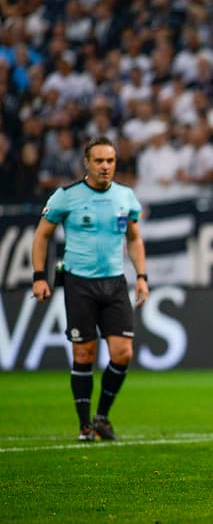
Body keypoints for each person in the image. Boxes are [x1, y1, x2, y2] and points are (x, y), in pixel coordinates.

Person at [31, 136, 149, 441]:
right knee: (84, 354)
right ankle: (84, 425)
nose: (105, 166)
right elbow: (42, 236)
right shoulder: (66, 196)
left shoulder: (125, 197)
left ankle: (102, 416)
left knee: (123, 353)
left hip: (114, 282)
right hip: (79, 283)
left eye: (110, 161)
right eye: (99, 161)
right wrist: (39, 276)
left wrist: (142, 276)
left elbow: (134, 238)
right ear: (87, 163)